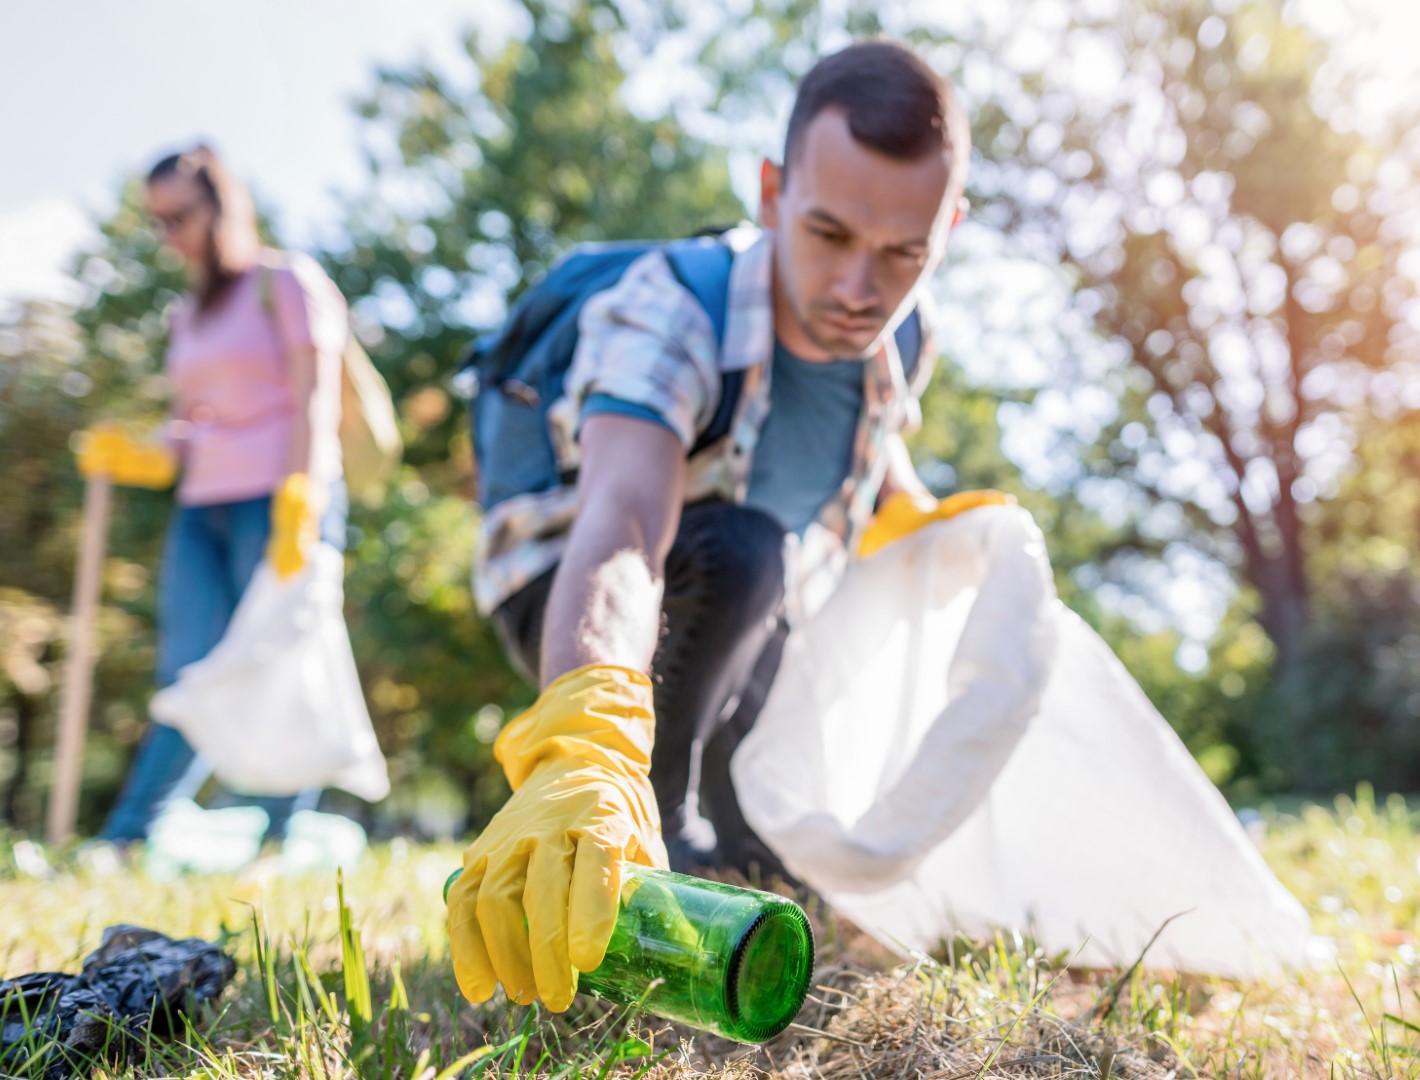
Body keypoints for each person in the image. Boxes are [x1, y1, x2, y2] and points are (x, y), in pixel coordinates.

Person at [448, 41, 1006, 1011]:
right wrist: (587, 740)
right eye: (828, 233)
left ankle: (732, 848)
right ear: (770, 191)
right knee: (750, 553)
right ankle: (647, 836)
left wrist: (926, 521)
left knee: (771, 783)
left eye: (903, 254)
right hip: (576, 593)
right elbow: (623, 524)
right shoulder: (672, 309)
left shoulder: (905, 339)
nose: (858, 290)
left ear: (946, 230)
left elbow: (870, 465)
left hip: (753, 616)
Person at [75, 146, 351, 843]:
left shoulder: (284, 281)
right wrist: (141, 451)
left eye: (179, 216)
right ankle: (130, 837)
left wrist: (303, 493)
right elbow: (196, 423)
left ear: (221, 205)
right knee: (191, 673)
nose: (169, 235)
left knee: (279, 659)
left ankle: (280, 838)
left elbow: (315, 398)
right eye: (157, 222)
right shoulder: (188, 313)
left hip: (281, 495)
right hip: (204, 504)